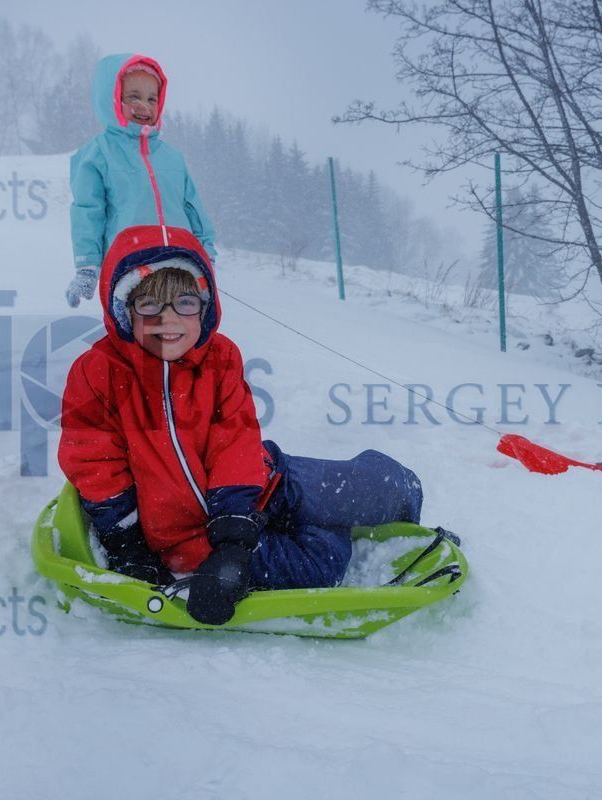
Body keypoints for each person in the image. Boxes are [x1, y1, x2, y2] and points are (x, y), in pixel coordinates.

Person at [58, 224, 424, 624]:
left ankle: (398, 489)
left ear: (205, 304)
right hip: (188, 534)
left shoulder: (219, 357)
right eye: (148, 305)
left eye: (184, 302)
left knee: (370, 488)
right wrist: (131, 551)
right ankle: (324, 522)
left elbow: (235, 438)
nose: (169, 320)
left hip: (256, 479)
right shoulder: (99, 374)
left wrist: (234, 528)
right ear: (123, 311)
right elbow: (94, 464)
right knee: (321, 563)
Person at [65, 53, 219, 308]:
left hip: (181, 262)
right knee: (138, 332)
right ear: (112, 98)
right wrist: (87, 267)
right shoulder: (98, 153)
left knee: (180, 329)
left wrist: (207, 253)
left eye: (152, 98)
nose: (144, 106)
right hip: (128, 264)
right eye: (133, 97)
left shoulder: (172, 158)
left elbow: (193, 208)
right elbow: (87, 212)